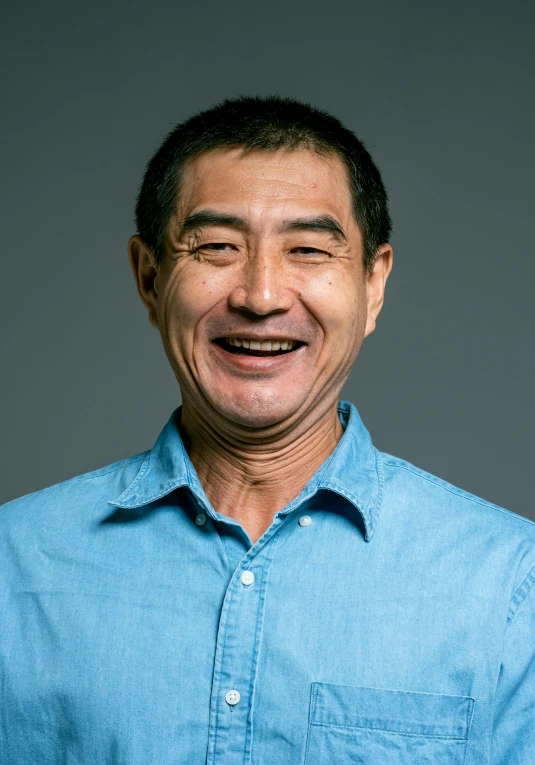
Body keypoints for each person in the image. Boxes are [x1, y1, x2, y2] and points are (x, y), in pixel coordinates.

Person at [0, 95, 533, 765]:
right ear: (148, 276)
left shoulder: (511, 584)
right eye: (216, 246)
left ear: (372, 286)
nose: (260, 295)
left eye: (307, 249)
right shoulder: (12, 565)